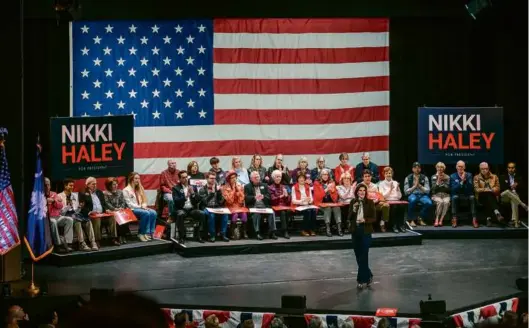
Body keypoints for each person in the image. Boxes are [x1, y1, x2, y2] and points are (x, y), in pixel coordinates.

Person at [57, 178, 97, 251]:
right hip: (65, 215)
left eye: (73, 186)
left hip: (75, 214)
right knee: (77, 221)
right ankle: (82, 243)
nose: (72, 187)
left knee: (88, 220)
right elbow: (60, 212)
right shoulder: (59, 196)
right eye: (70, 185)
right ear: (65, 186)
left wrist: (79, 207)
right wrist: (68, 206)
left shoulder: (75, 195)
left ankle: (93, 242)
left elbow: (77, 210)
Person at [348, 183, 375, 289]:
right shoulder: (353, 202)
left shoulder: (370, 202)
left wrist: (366, 220)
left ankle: (360, 280)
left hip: (366, 231)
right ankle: (368, 275)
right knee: (358, 256)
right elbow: (349, 217)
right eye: (360, 190)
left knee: (364, 255)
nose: (362, 192)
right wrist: (354, 210)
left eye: (364, 190)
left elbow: (373, 218)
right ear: (357, 192)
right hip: (355, 231)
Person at [79, 177, 119, 246]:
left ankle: (113, 238)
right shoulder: (83, 193)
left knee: (112, 217)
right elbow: (82, 208)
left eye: (96, 184)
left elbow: (104, 204)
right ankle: (97, 240)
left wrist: (106, 210)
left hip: (101, 214)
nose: (95, 186)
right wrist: (90, 212)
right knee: (97, 219)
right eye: (93, 184)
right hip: (91, 215)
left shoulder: (99, 192)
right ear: (88, 185)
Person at [172, 170, 207, 244]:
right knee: (180, 214)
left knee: (202, 213)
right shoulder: (176, 188)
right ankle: (182, 236)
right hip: (181, 209)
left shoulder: (193, 187)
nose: (185, 179)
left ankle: (198, 235)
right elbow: (176, 201)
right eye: (183, 177)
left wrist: (193, 194)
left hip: (191, 209)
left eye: (186, 177)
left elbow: (198, 200)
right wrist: (185, 197)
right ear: (180, 179)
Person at [123, 172, 158, 242]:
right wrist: (141, 207)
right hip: (131, 210)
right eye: (136, 178)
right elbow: (130, 205)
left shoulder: (139, 189)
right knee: (145, 213)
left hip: (140, 208)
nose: (138, 180)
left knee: (153, 212)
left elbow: (144, 200)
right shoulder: (126, 190)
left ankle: (149, 233)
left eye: (139, 178)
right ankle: (141, 233)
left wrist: (144, 205)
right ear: (131, 179)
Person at [244, 171, 277, 240]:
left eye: (258, 176)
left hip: (264, 205)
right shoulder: (247, 186)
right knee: (256, 214)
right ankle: (257, 232)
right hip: (254, 206)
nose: (257, 178)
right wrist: (254, 197)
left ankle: (272, 232)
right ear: (251, 179)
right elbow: (246, 198)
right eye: (255, 177)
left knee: (272, 213)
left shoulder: (264, 185)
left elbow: (269, 196)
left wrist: (263, 196)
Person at [44, 177, 73, 253]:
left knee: (69, 219)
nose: (47, 187)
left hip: (57, 216)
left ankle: (68, 243)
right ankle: (58, 245)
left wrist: (53, 201)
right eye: (45, 185)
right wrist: (45, 201)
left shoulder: (54, 194)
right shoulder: (39, 196)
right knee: (53, 221)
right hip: (46, 218)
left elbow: (60, 205)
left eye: (48, 185)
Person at [198, 172, 229, 242]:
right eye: (211, 178)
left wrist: (219, 193)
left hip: (216, 207)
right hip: (206, 207)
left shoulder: (217, 188)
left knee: (225, 214)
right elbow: (204, 202)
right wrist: (212, 193)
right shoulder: (202, 189)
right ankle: (212, 235)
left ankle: (223, 234)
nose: (213, 180)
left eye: (214, 178)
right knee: (211, 215)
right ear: (207, 179)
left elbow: (220, 202)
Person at [313, 168, 343, 237]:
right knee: (328, 208)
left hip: (331, 203)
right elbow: (318, 197)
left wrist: (333, 192)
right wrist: (326, 189)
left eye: (326, 174)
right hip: (320, 203)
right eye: (323, 174)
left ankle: (339, 228)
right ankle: (328, 229)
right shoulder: (316, 183)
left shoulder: (332, 182)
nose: (325, 176)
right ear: (320, 175)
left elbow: (335, 198)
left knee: (337, 208)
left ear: (329, 175)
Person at [474, 162, 504, 227]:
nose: (484, 170)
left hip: (493, 196)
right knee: (487, 194)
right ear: (480, 169)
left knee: (488, 197)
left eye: (486, 168)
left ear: (488, 168)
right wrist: (487, 190)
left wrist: (492, 190)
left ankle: (488, 219)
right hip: (481, 197)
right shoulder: (476, 177)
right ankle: (497, 212)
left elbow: (498, 188)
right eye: (482, 169)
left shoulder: (494, 177)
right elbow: (476, 189)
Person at [499, 162, 528, 228]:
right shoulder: (502, 177)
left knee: (514, 201)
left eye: (512, 168)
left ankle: (515, 222)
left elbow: (524, 189)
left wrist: (518, 185)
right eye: (509, 168)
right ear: (507, 169)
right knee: (507, 191)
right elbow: (502, 188)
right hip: (504, 196)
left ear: (515, 169)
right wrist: (511, 187)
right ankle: (523, 205)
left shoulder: (519, 178)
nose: (511, 169)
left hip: (514, 196)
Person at [377, 166, 405, 233]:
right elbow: (383, 196)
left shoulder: (395, 182)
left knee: (402, 206)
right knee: (394, 207)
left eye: (390, 173)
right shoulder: (381, 183)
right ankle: (394, 225)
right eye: (386, 173)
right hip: (387, 201)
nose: (388, 175)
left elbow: (399, 196)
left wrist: (398, 189)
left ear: (392, 174)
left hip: (396, 200)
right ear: (384, 174)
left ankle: (401, 225)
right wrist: (390, 189)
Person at [222, 170, 249, 239]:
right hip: (229, 207)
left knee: (244, 214)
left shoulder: (240, 187)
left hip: (238, 206)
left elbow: (241, 200)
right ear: (228, 179)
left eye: (235, 177)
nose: (234, 179)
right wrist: (233, 191)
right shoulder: (224, 188)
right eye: (232, 177)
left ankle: (244, 232)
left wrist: (239, 192)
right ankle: (232, 232)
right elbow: (229, 201)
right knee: (235, 214)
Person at [450, 160, 477, 228]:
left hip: (467, 194)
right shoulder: (453, 176)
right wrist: (462, 182)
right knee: (454, 197)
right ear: (456, 167)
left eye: (462, 166)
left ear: (464, 167)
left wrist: (466, 181)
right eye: (459, 166)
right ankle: (454, 218)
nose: (460, 168)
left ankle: (474, 219)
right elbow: (454, 189)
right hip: (457, 194)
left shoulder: (469, 175)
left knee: (472, 197)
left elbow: (470, 188)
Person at [404, 162, 432, 227]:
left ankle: (420, 217)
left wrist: (419, 185)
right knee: (413, 200)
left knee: (429, 203)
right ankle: (411, 220)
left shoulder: (424, 177)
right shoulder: (408, 178)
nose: (417, 169)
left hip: (422, 195)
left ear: (420, 169)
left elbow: (428, 191)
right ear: (412, 169)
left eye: (418, 168)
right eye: (415, 168)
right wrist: (414, 186)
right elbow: (406, 191)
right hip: (413, 194)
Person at [103, 177, 130, 244]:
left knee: (125, 216)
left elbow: (123, 202)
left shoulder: (120, 191)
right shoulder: (105, 193)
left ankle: (123, 235)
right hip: (112, 211)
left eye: (116, 184)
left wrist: (121, 208)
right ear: (109, 186)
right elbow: (107, 203)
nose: (116, 186)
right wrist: (115, 209)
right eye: (113, 184)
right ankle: (119, 236)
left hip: (120, 210)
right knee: (118, 217)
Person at [291, 172, 317, 236]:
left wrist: (310, 200)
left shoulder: (308, 187)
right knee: (308, 211)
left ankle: (311, 229)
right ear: (297, 179)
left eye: (303, 178)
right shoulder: (294, 187)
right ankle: (304, 229)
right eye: (300, 178)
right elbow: (293, 201)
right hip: (298, 206)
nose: (301, 179)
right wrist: (302, 201)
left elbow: (311, 198)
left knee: (313, 210)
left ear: (305, 179)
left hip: (307, 205)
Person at [268, 169, 292, 239]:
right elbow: (272, 200)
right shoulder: (270, 187)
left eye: (280, 177)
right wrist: (281, 196)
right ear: (273, 177)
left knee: (288, 211)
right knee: (282, 212)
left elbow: (288, 202)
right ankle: (285, 231)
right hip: (275, 206)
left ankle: (283, 230)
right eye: (277, 177)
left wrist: (287, 196)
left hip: (283, 207)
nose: (279, 178)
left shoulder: (284, 187)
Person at [430, 162, 451, 227]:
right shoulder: (433, 176)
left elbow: (448, 188)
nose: (440, 168)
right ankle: (436, 219)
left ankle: (441, 220)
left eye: (441, 167)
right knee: (440, 202)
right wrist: (438, 181)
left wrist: (443, 183)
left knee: (446, 202)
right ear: (436, 168)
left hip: (445, 195)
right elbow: (433, 189)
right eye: (438, 167)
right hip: (436, 195)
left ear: (444, 168)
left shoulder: (447, 177)